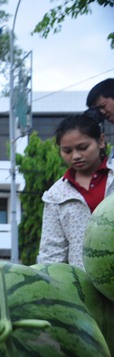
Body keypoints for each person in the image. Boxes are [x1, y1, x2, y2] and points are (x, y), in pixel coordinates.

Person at [37, 112, 113, 269]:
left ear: (100, 141)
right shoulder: (55, 195)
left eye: (83, 147)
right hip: (83, 286)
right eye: (67, 151)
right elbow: (52, 253)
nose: (76, 156)